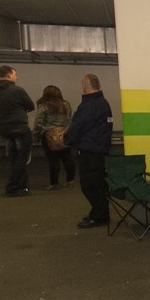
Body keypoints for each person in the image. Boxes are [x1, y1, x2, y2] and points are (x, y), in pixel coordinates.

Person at [63, 73, 113, 229]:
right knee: (98, 184)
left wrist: (67, 140)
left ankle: (99, 216)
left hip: (90, 150)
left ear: (86, 85)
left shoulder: (89, 105)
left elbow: (78, 126)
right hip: (100, 149)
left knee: (89, 185)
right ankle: (100, 213)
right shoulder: (103, 103)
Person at [0, 65, 35, 197]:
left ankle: (23, 186)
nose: (16, 77)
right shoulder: (17, 90)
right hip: (20, 126)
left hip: (4, 127)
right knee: (23, 157)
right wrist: (20, 110)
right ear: (9, 74)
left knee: (14, 156)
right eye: (15, 74)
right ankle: (13, 187)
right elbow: (31, 106)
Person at [33, 85, 76, 190]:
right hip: (63, 134)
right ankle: (70, 180)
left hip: (48, 136)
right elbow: (70, 119)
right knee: (67, 157)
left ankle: (54, 183)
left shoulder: (43, 106)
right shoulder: (66, 105)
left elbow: (38, 123)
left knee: (53, 160)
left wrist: (36, 136)